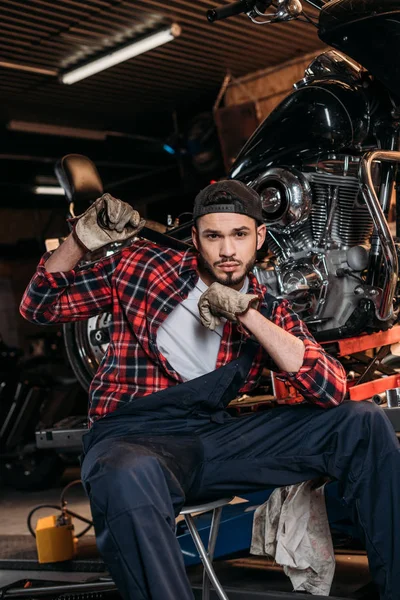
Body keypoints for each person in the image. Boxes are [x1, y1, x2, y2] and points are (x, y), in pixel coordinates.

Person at [20, 181, 400, 600]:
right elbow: (39, 305)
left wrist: (248, 317)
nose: (227, 251)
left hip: (213, 438)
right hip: (131, 437)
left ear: (259, 236)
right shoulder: (142, 267)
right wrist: (78, 241)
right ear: (196, 237)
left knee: (361, 423)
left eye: (239, 235)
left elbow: (330, 389)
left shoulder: (268, 305)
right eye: (214, 236)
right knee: (126, 474)